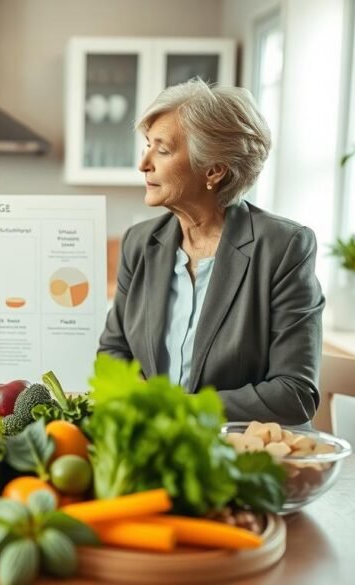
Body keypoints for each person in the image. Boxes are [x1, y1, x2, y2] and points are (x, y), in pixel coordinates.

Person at [98, 78, 324, 425]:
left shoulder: (284, 247)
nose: (144, 163)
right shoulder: (139, 243)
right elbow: (113, 353)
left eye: (162, 149)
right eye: (147, 145)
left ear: (214, 170)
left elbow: (294, 393)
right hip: (158, 446)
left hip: (245, 455)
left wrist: (177, 410)